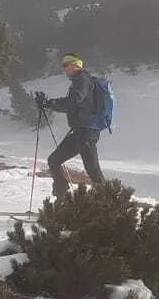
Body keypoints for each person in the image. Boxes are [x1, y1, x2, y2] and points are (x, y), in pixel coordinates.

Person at [35, 54, 108, 198]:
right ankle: (62, 195)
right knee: (54, 160)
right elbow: (74, 105)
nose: (64, 69)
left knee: (93, 170)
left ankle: (109, 202)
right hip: (79, 132)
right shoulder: (79, 81)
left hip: (87, 132)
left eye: (65, 65)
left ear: (75, 65)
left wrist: (50, 103)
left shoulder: (82, 78)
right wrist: (49, 104)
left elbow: (74, 100)